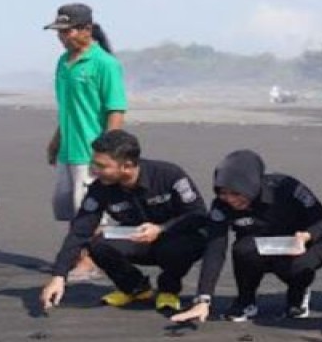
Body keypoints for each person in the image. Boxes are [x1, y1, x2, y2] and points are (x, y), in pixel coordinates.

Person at [39, 130, 206, 313]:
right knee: (97, 243)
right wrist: (59, 275)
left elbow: (198, 215)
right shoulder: (100, 187)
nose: (94, 170)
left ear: (126, 166)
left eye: (102, 166)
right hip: (136, 239)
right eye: (94, 163)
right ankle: (135, 289)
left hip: (176, 238)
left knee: (183, 245)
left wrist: (162, 229)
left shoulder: (169, 175)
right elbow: (80, 230)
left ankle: (168, 289)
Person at [170, 150, 322, 323]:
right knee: (242, 249)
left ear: (250, 186)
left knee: (299, 265)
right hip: (261, 247)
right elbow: (215, 250)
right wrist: (203, 299)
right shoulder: (221, 206)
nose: (230, 200)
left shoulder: (287, 188)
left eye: (236, 193)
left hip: (301, 244)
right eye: (223, 193)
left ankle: (297, 295)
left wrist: (306, 236)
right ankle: (246, 300)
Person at [44, 3, 127, 279]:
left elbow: (115, 111)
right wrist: (56, 141)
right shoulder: (63, 62)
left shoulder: (105, 64)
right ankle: (78, 254)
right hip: (69, 148)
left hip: (91, 151)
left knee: (90, 209)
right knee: (70, 207)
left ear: (87, 29)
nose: (63, 37)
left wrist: (107, 155)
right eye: (59, 32)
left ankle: (92, 261)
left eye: (68, 31)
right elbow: (67, 108)